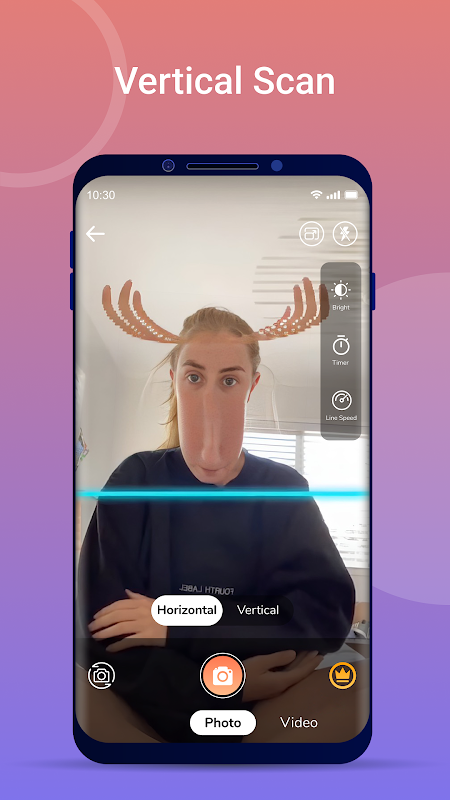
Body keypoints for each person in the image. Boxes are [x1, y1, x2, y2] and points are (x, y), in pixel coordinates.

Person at [77, 285, 355, 743]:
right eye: (194, 377)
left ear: (251, 386)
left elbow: (323, 615)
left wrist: (176, 622)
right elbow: (102, 629)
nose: (211, 400)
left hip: (267, 706)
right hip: (149, 703)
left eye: (229, 380)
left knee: (358, 687)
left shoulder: (283, 489)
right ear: (174, 378)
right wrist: (224, 687)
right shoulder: (136, 479)